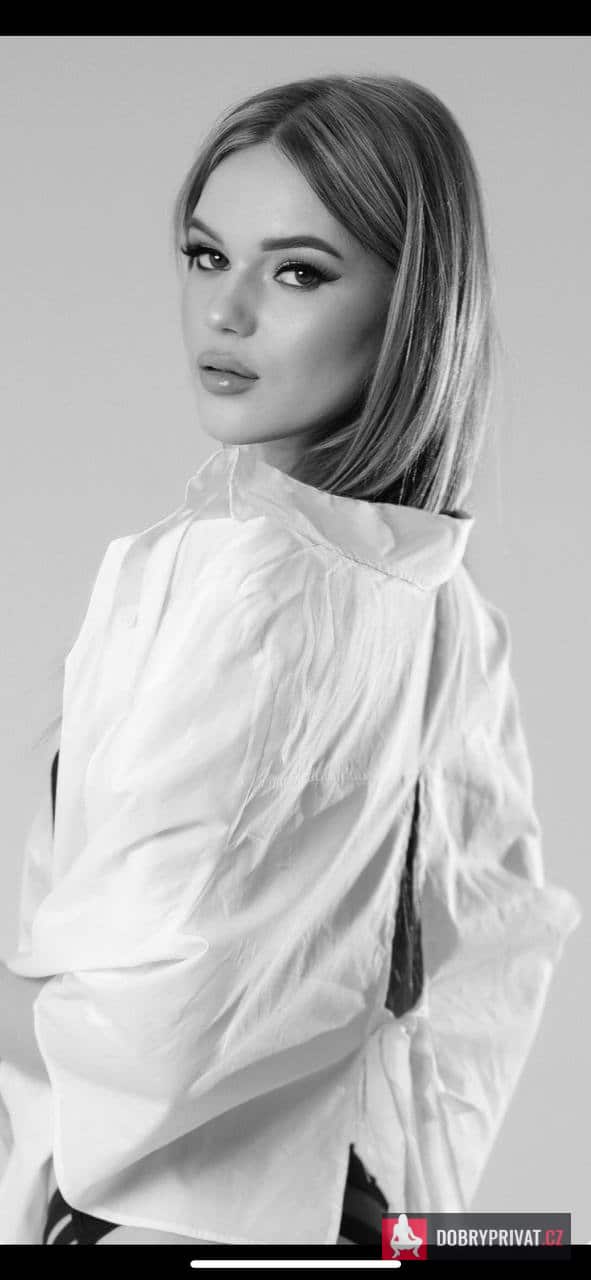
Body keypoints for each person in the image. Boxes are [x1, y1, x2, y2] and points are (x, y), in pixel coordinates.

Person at [0, 72, 582, 1248]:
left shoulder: (239, 576)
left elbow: (149, 1018)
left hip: (173, 1219)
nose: (225, 311)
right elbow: (487, 970)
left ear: (411, 304)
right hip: (361, 1218)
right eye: (207, 255)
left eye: (299, 271)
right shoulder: (447, 605)